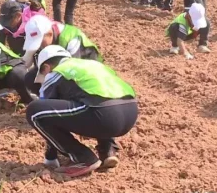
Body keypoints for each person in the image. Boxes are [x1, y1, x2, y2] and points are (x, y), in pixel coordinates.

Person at [26, 45, 138, 177]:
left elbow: (46, 114)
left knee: (34, 111)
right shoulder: (90, 64)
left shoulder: (56, 72)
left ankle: (84, 159)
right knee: (93, 98)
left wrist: (50, 157)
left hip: (105, 115)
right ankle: (108, 150)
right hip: (131, 111)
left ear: (46, 67)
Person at [22, 15, 101, 95]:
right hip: (60, 66)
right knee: (30, 78)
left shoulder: (71, 40)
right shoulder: (46, 33)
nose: (39, 46)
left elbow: (74, 71)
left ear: (49, 34)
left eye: (40, 43)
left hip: (83, 72)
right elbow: (26, 61)